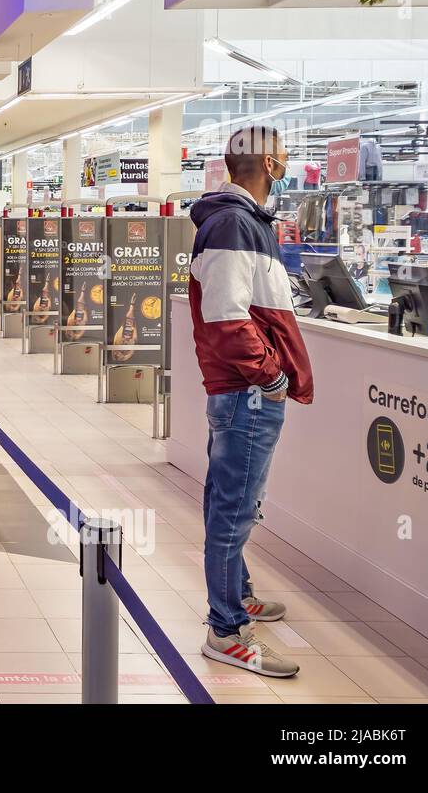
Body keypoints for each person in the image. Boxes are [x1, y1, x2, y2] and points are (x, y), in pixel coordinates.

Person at [189, 126, 312, 678]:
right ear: (267, 160)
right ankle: (226, 629)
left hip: (243, 393)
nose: (286, 160)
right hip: (246, 395)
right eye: (283, 153)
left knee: (235, 499)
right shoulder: (235, 223)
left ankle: (237, 594)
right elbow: (225, 316)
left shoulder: (245, 222)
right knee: (234, 507)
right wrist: (269, 378)